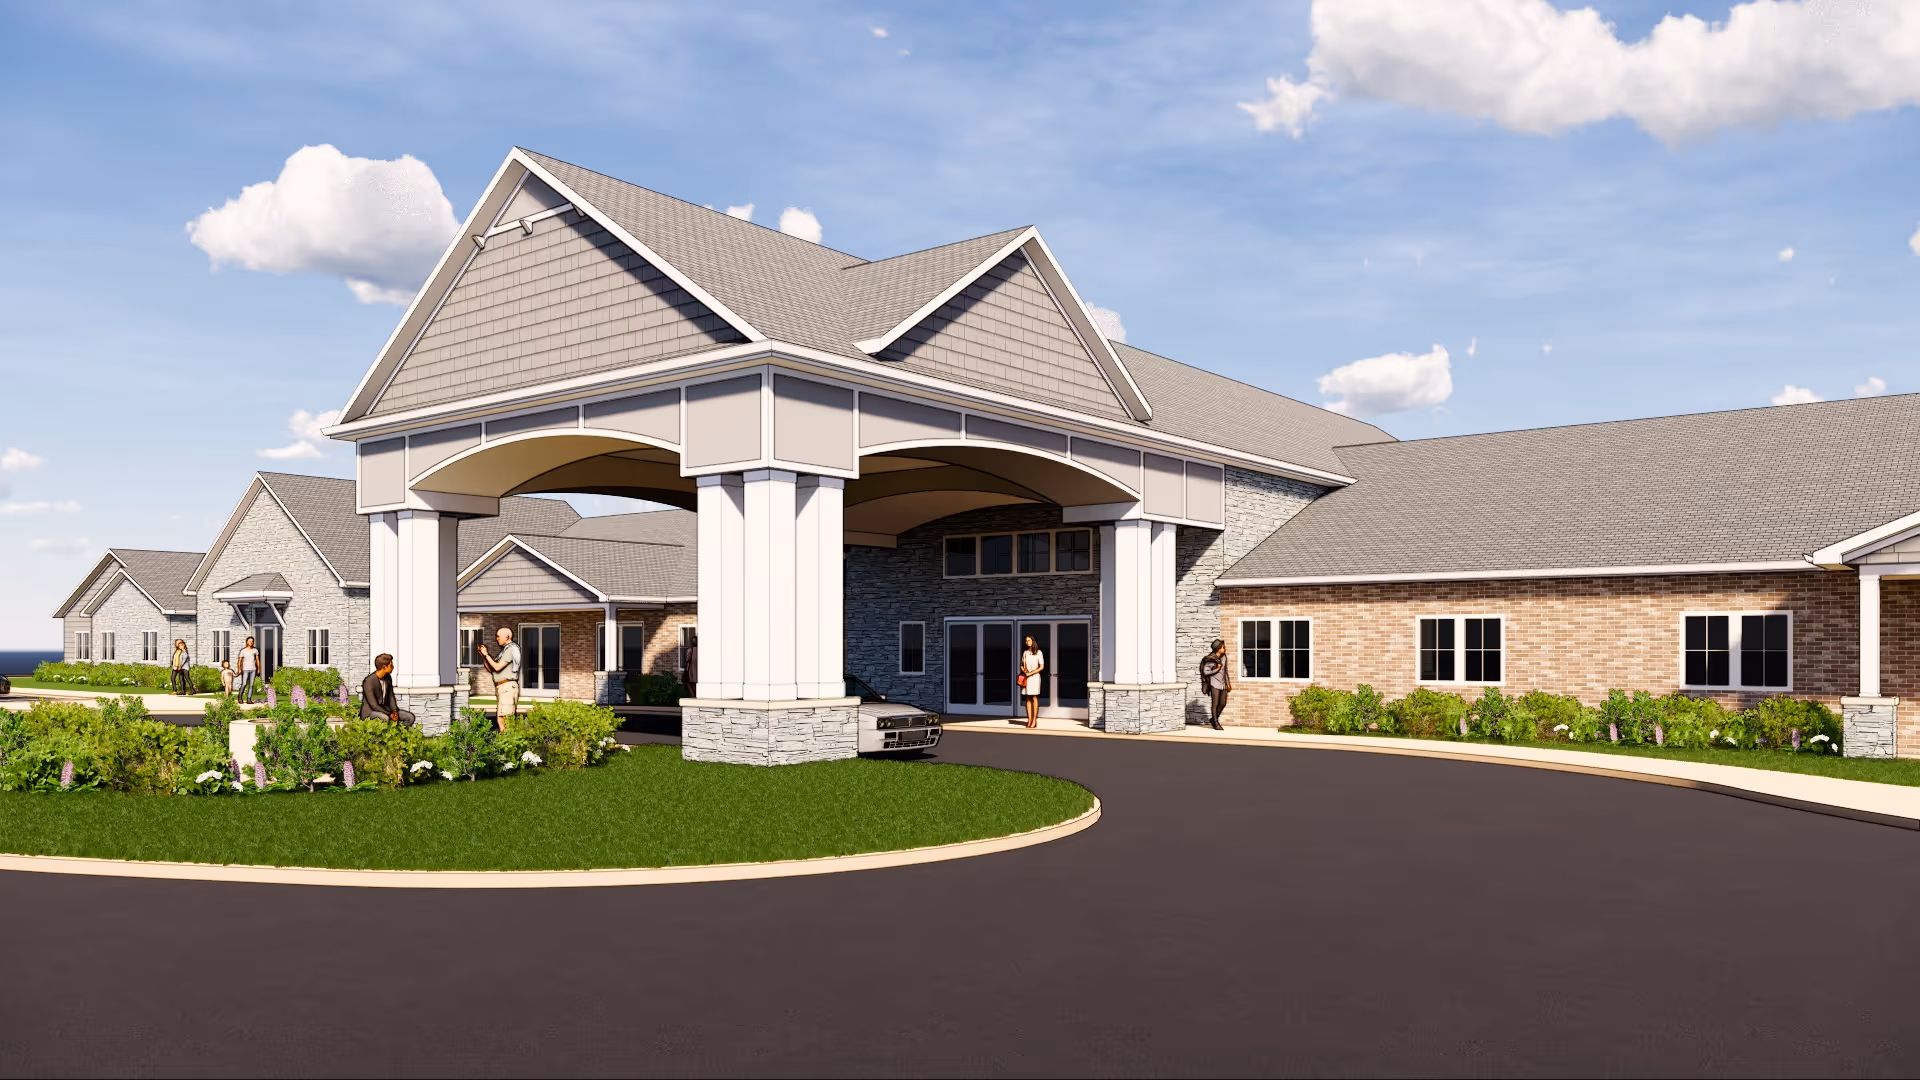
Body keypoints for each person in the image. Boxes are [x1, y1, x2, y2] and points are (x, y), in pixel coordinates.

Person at [476, 626, 520, 731]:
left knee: (504, 719)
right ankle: (506, 741)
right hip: (503, 687)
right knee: (502, 718)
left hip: (507, 687)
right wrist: (483, 656)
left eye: (498, 636)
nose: (497, 638)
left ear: (507, 637)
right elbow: (492, 669)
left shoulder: (511, 648)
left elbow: (497, 667)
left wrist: (487, 654)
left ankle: (506, 743)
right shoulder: (504, 651)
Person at [360, 653, 416, 726]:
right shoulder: (368, 681)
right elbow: (374, 705)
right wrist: (390, 714)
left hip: (386, 710)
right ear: (384, 667)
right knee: (385, 718)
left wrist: (394, 711)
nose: (392, 667)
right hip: (370, 712)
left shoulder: (388, 678)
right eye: (391, 665)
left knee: (410, 717)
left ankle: (399, 735)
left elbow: (391, 697)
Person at [1200, 638, 1232, 730]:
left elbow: (1225, 671)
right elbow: (1206, 672)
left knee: (1222, 703)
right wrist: (1217, 669)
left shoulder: (1224, 657)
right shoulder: (1211, 658)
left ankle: (1213, 719)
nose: (1224, 649)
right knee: (1215, 704)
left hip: (1223, 683)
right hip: (1214, 684)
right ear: (1218, 648)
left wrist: (1228, 683)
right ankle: (1216, 722)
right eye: (1223, 647)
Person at [1019, 634, 1045, 729]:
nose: (1027, 642)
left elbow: (1041, 667)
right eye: (1026, 641)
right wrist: (1024, 670)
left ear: (1033, 641)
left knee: (1034, 697)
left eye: (1029, 640)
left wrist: (1031, 673)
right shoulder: (1025, 652)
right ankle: (1029, 719)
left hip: (1035, 677)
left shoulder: (1039, 652)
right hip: (1026, 677)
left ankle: (1034, 720)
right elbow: (1021, 664)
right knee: (1027, 698)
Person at [235, 636, 260, 703]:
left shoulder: (255, 650)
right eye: (249, 641)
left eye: (252, 641)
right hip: (245, 669)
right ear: (246, 642)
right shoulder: (243, 651)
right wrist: (239, 669)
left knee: (251, 685)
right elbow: (239, 661)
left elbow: (257, 660)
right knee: (244, 683)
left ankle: (249, 699)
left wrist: (258, 669)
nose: (251, 642)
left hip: (253, 669)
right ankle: (240, 697)